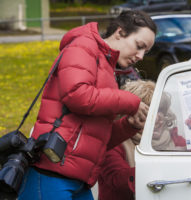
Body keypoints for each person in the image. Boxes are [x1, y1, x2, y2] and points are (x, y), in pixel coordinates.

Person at [18, 10, 156, 200]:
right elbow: (77, 95)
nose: (141, 56)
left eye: (146, 52)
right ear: (120, 32)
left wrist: (129, 126)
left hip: (76, 179)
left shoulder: (106, 67)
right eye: (139, 46)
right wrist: (130, 101)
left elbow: (97, 140)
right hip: (51, 173)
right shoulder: (84, 46)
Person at [97, 79, 155, 200]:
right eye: (145, 112)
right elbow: (117, 179)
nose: (156, 117)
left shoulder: (168, 137)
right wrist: (163, 169)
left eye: (157, 110)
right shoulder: (114, 141)